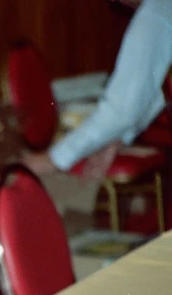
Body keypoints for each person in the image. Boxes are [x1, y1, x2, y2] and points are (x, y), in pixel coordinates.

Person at [24, 0, 172, 179]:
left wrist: (54, 159)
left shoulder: (157, 11)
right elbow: (158, 88)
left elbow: (122, 109)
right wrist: (119, 138)